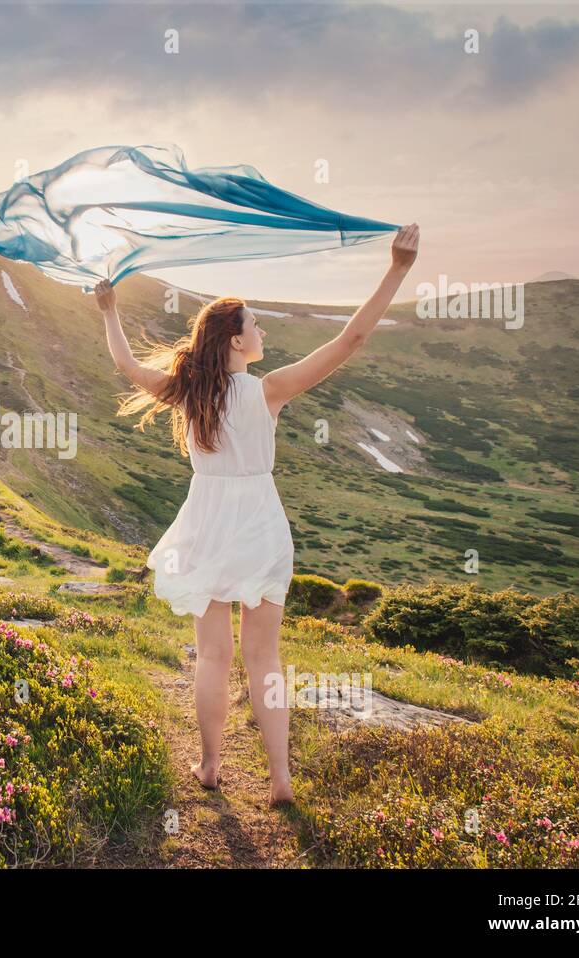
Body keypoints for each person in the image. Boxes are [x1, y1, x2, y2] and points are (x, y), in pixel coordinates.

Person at [94, 224, 420, 805]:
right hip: (261, 524)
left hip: (206, 522)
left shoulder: (188, 392)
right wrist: (397, 268)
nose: (264, 331)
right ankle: (280, 781)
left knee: (213, 655)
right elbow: (351, 341)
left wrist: (109, 309)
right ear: (238, 342)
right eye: (256, 325)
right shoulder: (269, 390)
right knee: (264, 657)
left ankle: (211, 766)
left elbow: (125, 366)